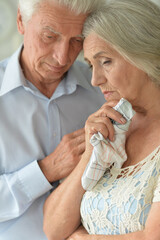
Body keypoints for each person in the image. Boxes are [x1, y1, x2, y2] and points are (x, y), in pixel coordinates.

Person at [43, 0, 160, 239]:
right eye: (90, 65)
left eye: (105, 61)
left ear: (145, 54)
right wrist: (89, 156)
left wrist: (83, 238)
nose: (95, 80)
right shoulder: (112, 125)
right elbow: (53, 229)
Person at [0, 0, 106, 239]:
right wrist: (45, 171)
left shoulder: (103, 88)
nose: (62, 57)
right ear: (20, 21)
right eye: (49, 36)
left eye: (77, 40)